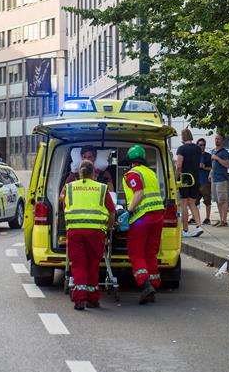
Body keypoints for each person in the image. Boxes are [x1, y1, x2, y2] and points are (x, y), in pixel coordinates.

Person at [63, 160, 116, 311]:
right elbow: (111, 211)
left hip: (75, 231)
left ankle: (79, 299)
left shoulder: (70, 188)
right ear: (94, 173)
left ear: (79, 173)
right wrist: (108, 228)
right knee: (93, 265)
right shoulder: (102, 188)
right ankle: (92, 299)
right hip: (95, 232)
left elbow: (65, 208)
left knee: (79, 265)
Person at [120, 145, 165, 305]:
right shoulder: (151, 172)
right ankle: (153, 285)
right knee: (150, 253)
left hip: (142, 218)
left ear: (131, 161)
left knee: (136, 254)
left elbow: (139, 193)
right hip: (158, 215)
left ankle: (145, 284)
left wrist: (128, 211)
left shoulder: (132, 174)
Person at [176, 128, 203, 238]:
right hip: (195, 178)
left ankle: (185, 230)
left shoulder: (181, 149)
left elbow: (178, 166)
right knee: (193, 203)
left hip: (185, 179)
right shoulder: (197, 148)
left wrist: (176, 178)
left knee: (184, 204)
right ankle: (198, 226)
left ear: (182, 137)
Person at [210, 132, 229, 226]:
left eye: (218, 139)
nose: (216, 140)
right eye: (215, 138)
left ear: (222, 140)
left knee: (223, 200)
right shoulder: (213, 151)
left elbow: (227, 164)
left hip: (222, 178)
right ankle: (221, 218)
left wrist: (217, 158)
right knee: (217, 200)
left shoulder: (224, 152)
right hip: (214, 178)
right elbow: (213, 165)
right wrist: (210, 173)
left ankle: (224, 220)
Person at [197, 138, 212, 226]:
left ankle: (207, 218)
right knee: (195, 201)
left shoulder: (208, 156)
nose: (202, 146)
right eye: (200, 145)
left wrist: (204, 167)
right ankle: (195, 218)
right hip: (196, 181)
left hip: (205, 181)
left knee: (207, 201)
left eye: (203, 145)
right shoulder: (195, 156)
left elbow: (212, 168)